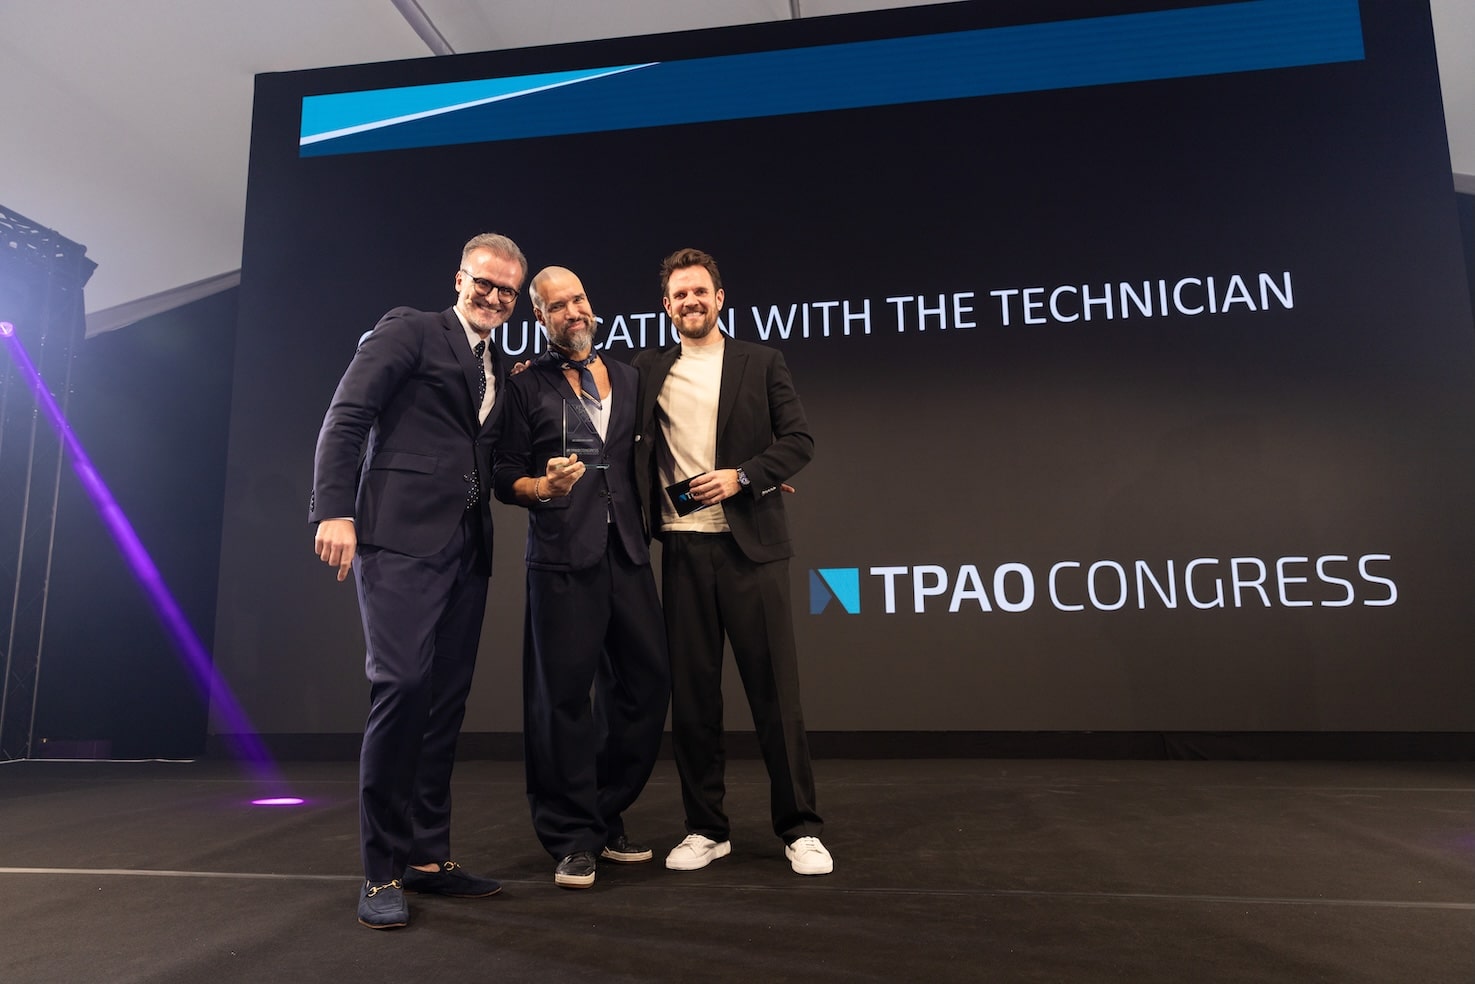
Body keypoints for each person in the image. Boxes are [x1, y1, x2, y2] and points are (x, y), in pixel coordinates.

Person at [310, 232, 527, 928]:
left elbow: (482, 456)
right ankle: (381, 870)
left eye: (506, 290)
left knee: (442, 704)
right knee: (401, 687)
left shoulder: (497, 364)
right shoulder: (410, 328)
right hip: (398, 539)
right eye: (483, 282)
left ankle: (428, 858)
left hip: (467, 547)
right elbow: (348, 415)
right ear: (459, 278)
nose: (493, 297)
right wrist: (335, 509)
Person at [633, 247, 832, 876]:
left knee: (776, 696)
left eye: (700, 291)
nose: (690, 301)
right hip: (682, 548)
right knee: (693, 700)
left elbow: (798, 440)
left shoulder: (762, 361)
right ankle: (705, 829)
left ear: (720, 298)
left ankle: (800, 829)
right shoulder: (645, 370)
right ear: (665, 307)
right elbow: (595, 399)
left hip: (753, 551)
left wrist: (745, 476)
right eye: (679, 295)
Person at [490, 266, 669, 889]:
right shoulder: (524, 386)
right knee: (562, 701)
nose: (574, 311)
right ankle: (571, 836)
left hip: (628, 553)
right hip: (562, 558)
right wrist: (542, 487)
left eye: (580, 299)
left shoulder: (629, 376)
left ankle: (602, 810)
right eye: (558, 305)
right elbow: (503, 475)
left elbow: (656, 453)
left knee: (646, 686)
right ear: (540, 318)